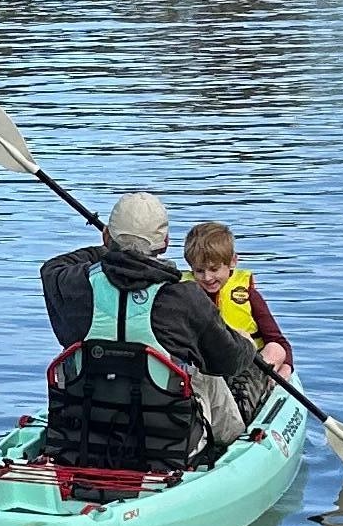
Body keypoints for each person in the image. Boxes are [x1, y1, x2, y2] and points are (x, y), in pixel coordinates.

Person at [40, 192, 267, 450]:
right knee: (209, 369)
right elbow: (229, 362)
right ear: (165, 243)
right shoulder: (185, 299)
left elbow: (53, 266)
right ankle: (230, 445)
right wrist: (247, 343)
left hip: (88, 429)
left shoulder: (73, 285)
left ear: (106, 238)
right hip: (168, 443)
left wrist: (116, 248)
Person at [178, 221, 292, 421]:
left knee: (275, 350)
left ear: (232, 262)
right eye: (199, 271)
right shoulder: (184, 294)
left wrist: (285, 371)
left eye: (214, 269)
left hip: (245, 367)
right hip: (207, 369)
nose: (207, 277)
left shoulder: (247, 294)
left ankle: (250, 391)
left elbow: (280, 343)